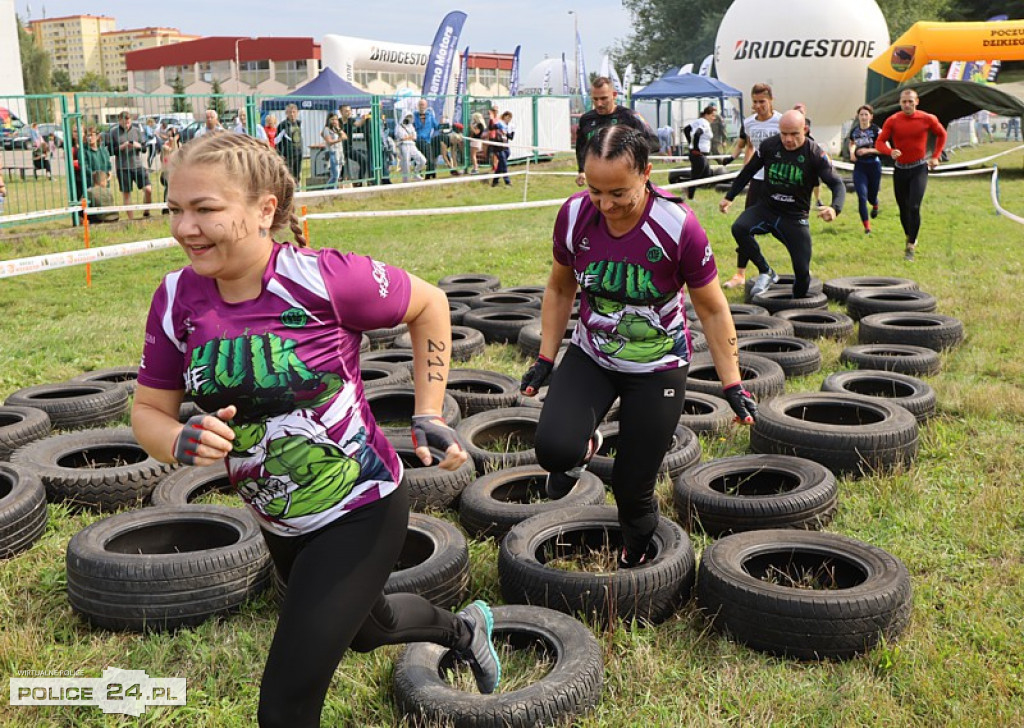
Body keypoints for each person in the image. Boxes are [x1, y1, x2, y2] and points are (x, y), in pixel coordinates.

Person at [131, 132, 501, 728]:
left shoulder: (325, 279)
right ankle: (465, 631)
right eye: (174, 209)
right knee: (370, 628)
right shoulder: (176, 298)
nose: (184, 228)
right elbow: (148, 409)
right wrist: (178, 440)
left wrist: (428, 411)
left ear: (264, 210)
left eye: (205, 209)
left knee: (284, 707)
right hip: (278, 517)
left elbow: (430, 305)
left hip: (361, 508)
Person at [520, 125, 757, 569]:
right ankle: (582, 448)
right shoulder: (574, 215)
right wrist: (546, 357)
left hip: (658, 366)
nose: (606, 205)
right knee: (553, 450)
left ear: (646, 174)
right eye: (595, 190)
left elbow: (712, 309)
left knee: (632, 485)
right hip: (593, 354)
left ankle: (637, 559)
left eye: (618, 193)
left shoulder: (678, 226)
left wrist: (732, 383)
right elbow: (560, 287)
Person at [719, 110, 846, 299]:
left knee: (802, 273)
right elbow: (748, 171)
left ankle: (797, 307)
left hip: (794, 217)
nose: (788, 139)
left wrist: (835, 208)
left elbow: (837, 184)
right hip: (767, 208)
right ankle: (766, 271)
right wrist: (729, 196)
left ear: (805, 130)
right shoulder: (769, 146)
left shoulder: (814, 153)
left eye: (794, 134)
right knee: (739, 228)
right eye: (784, 133)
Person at [874, 88, 947, 262]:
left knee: (914, 207)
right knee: (903, 208)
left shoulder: (927, 118)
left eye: (910, 101)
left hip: (919, 168)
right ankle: (909, 235)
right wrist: (890, 151)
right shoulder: (893, 120)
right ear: (900, 103)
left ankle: (911, 246)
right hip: (900, 169)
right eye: (904, 102)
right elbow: (879, 142)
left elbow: (942, 134)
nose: (907, 105)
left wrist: (936, 156)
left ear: (917, 102)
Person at [722, 83, 782, 289]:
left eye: (762, 101)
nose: (758, 106)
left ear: (771, 100)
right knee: (744, 227)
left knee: (785, 227)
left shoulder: (781, 121)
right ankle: (740, 273)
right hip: (757, 179)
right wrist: (745, 171)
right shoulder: (749, 123)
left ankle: (801, 266)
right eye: (755, 102)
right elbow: (750, 146)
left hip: (778, 181)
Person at [574, 76, 659, 187]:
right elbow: (581, 147)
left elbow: (654, 143)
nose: (599, 103)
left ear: (614, 95)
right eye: (595, 99)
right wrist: (581, 170)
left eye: (603, 98)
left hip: (627, 181)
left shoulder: (630, 117)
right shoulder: (586, 119)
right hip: (598, 181)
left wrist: (627, 153)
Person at [108, 110, 153, 220]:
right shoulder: (113, 133)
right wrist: (122, 146)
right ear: (119, 121)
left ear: (131, 120)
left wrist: (138, 146)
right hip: (122, 168)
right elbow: (110, 151)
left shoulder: (137, 131)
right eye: (124, 122)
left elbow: (144, 149)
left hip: (137, 166)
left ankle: (146, 211)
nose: (127, 125)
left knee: (148, 189)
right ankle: (131, 219)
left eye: (128, 122)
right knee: (126, 194)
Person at [847, 104, 883, 234]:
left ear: (871, 117)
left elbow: (885, 148)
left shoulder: (876, 130)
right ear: (858, 116)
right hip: (860, 166)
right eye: (861, 115)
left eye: (866, 115)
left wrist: (869, 150)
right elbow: (851, 143)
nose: (863, 117)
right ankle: (867, 228)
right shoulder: (854, 131)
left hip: (874, 165)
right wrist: (852, 152)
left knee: (871, 197)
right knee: (862, 197)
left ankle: (875, 204)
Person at [682, 105, 717, 201]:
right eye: (712, 115)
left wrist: (691, 143)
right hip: (699, 154)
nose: (714, 118)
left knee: (705, 174)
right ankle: (689, 194)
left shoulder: (698, 121)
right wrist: (696, 148)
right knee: (697, 176)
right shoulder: (705, 123)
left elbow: (686, 129)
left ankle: (687, 189)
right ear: (706, 115)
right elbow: (698, 133)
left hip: (697, 153)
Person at [413, 98, 440, 180]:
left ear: (426, 106)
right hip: (416, 140)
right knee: (418, 160)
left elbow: (436, 126)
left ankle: (429, 175)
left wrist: (442, 124)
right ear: (418, 106)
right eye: (420, 104)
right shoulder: (414, 115)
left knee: (429, 159)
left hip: (426, 140)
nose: (422, 106)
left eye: (423, 104)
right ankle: (419, 175)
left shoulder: (430, 116)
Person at [277, 103, 304, 184]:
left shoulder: (298, 123)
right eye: (290, 112)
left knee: (297, 174)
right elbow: (277, 141)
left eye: (294, 112)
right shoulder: (283, 125)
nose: (292, 114)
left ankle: (297, 187)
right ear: (286, 113)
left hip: (298, 153)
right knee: (288, 175)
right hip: (288, 155)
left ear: (297, 112)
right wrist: (280, 154)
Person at [81, 126, 112, 195]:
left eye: (91, 135)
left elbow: (108, 164)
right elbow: (84, 167)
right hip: (91, 182)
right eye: (87, 136)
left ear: (97, 136)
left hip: (104, 182)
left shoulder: (103, 149)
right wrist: (97, 177)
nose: (89, 138)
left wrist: (109, 172)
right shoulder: (83, 150)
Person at [396, 113, 426, 182]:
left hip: (412, 145)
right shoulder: (399, 127)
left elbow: (415, 137)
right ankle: (406, 180)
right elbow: (402, 137)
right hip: (404, 145)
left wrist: (408, 137)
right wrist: (409, 137)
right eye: (407, 116)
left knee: (423, 160)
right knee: (406, 163)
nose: (408, 118)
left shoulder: (411, 126)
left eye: (410, 117)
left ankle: (416, 173)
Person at [487, 107, 511, 187]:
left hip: (505, 145)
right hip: (497, 144)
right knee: (503, 163)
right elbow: (491, 127)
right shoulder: (495, 121)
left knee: (501, 164)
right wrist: (491, 118)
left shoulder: (503, 122)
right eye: (494, 110)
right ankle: (507, 182)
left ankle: (495, 181)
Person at [321, 112, 344, 189]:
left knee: (337, 175)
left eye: (336, 119)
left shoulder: (336, 129)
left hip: (339, 152)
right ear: (328, 120)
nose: (334, 121)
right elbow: (329, 142)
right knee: (335, 175)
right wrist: (339, 140)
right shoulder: (326, 129)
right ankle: (326, 191)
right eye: (332, 119)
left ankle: (334, 190)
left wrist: (338, 129)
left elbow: (345, 136)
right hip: (332, 152)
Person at [158, 127, 180, 209]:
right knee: (169, 186)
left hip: (177, 173)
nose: (171, 138)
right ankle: (165, 206)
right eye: (169, 136)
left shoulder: (180, 145)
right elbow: (173, 152)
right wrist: (174, 142)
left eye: (173, 136)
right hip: (166, 173)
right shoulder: (165, 147)